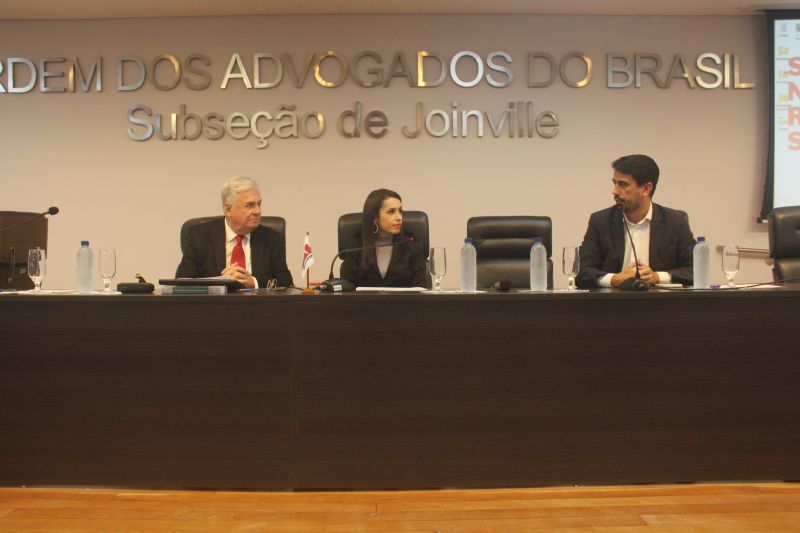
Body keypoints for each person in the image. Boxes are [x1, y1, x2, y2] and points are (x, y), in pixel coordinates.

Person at [576, 154, 695, 288]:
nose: (615, 191)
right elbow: (581, 272)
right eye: (615, 183)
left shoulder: (675, 222)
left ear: (646, 189)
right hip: (613, 299)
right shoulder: (600, 221)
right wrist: (615, 279)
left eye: (623, 184)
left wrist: (658, 277)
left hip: (660, 299)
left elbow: (696, 270)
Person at [175, 176, 293, 288]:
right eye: (249, 205)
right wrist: (220, 282)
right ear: (228, 209)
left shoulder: (271, 238)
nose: (258, 211)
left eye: (259, 204)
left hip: (256, 302)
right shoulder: (200, 236)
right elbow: (182, 282)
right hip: (214, 302)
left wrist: (254, 282)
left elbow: (286, 281)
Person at [339, 189, 429, 288]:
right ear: (374, 218)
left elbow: (422, 288)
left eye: (400, 211)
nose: (399, 217)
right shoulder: (355, 248)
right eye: (391, 212)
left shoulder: (412, 245)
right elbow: (347, 289)